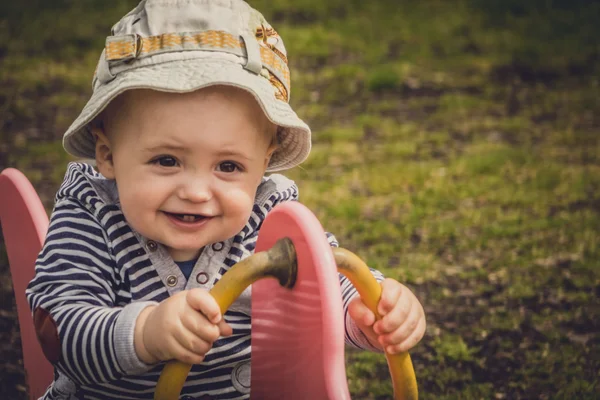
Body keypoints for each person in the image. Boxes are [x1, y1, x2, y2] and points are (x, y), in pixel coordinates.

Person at [26, 0, 426, 398]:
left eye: (229, 167)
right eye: (167, 161)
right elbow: (59, 332)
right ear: (108, 155)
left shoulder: (267, 213)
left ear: (264, 163)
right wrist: (146, 332)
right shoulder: (92, 214)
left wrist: (368, 311)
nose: (197, 192)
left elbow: (323, 280)